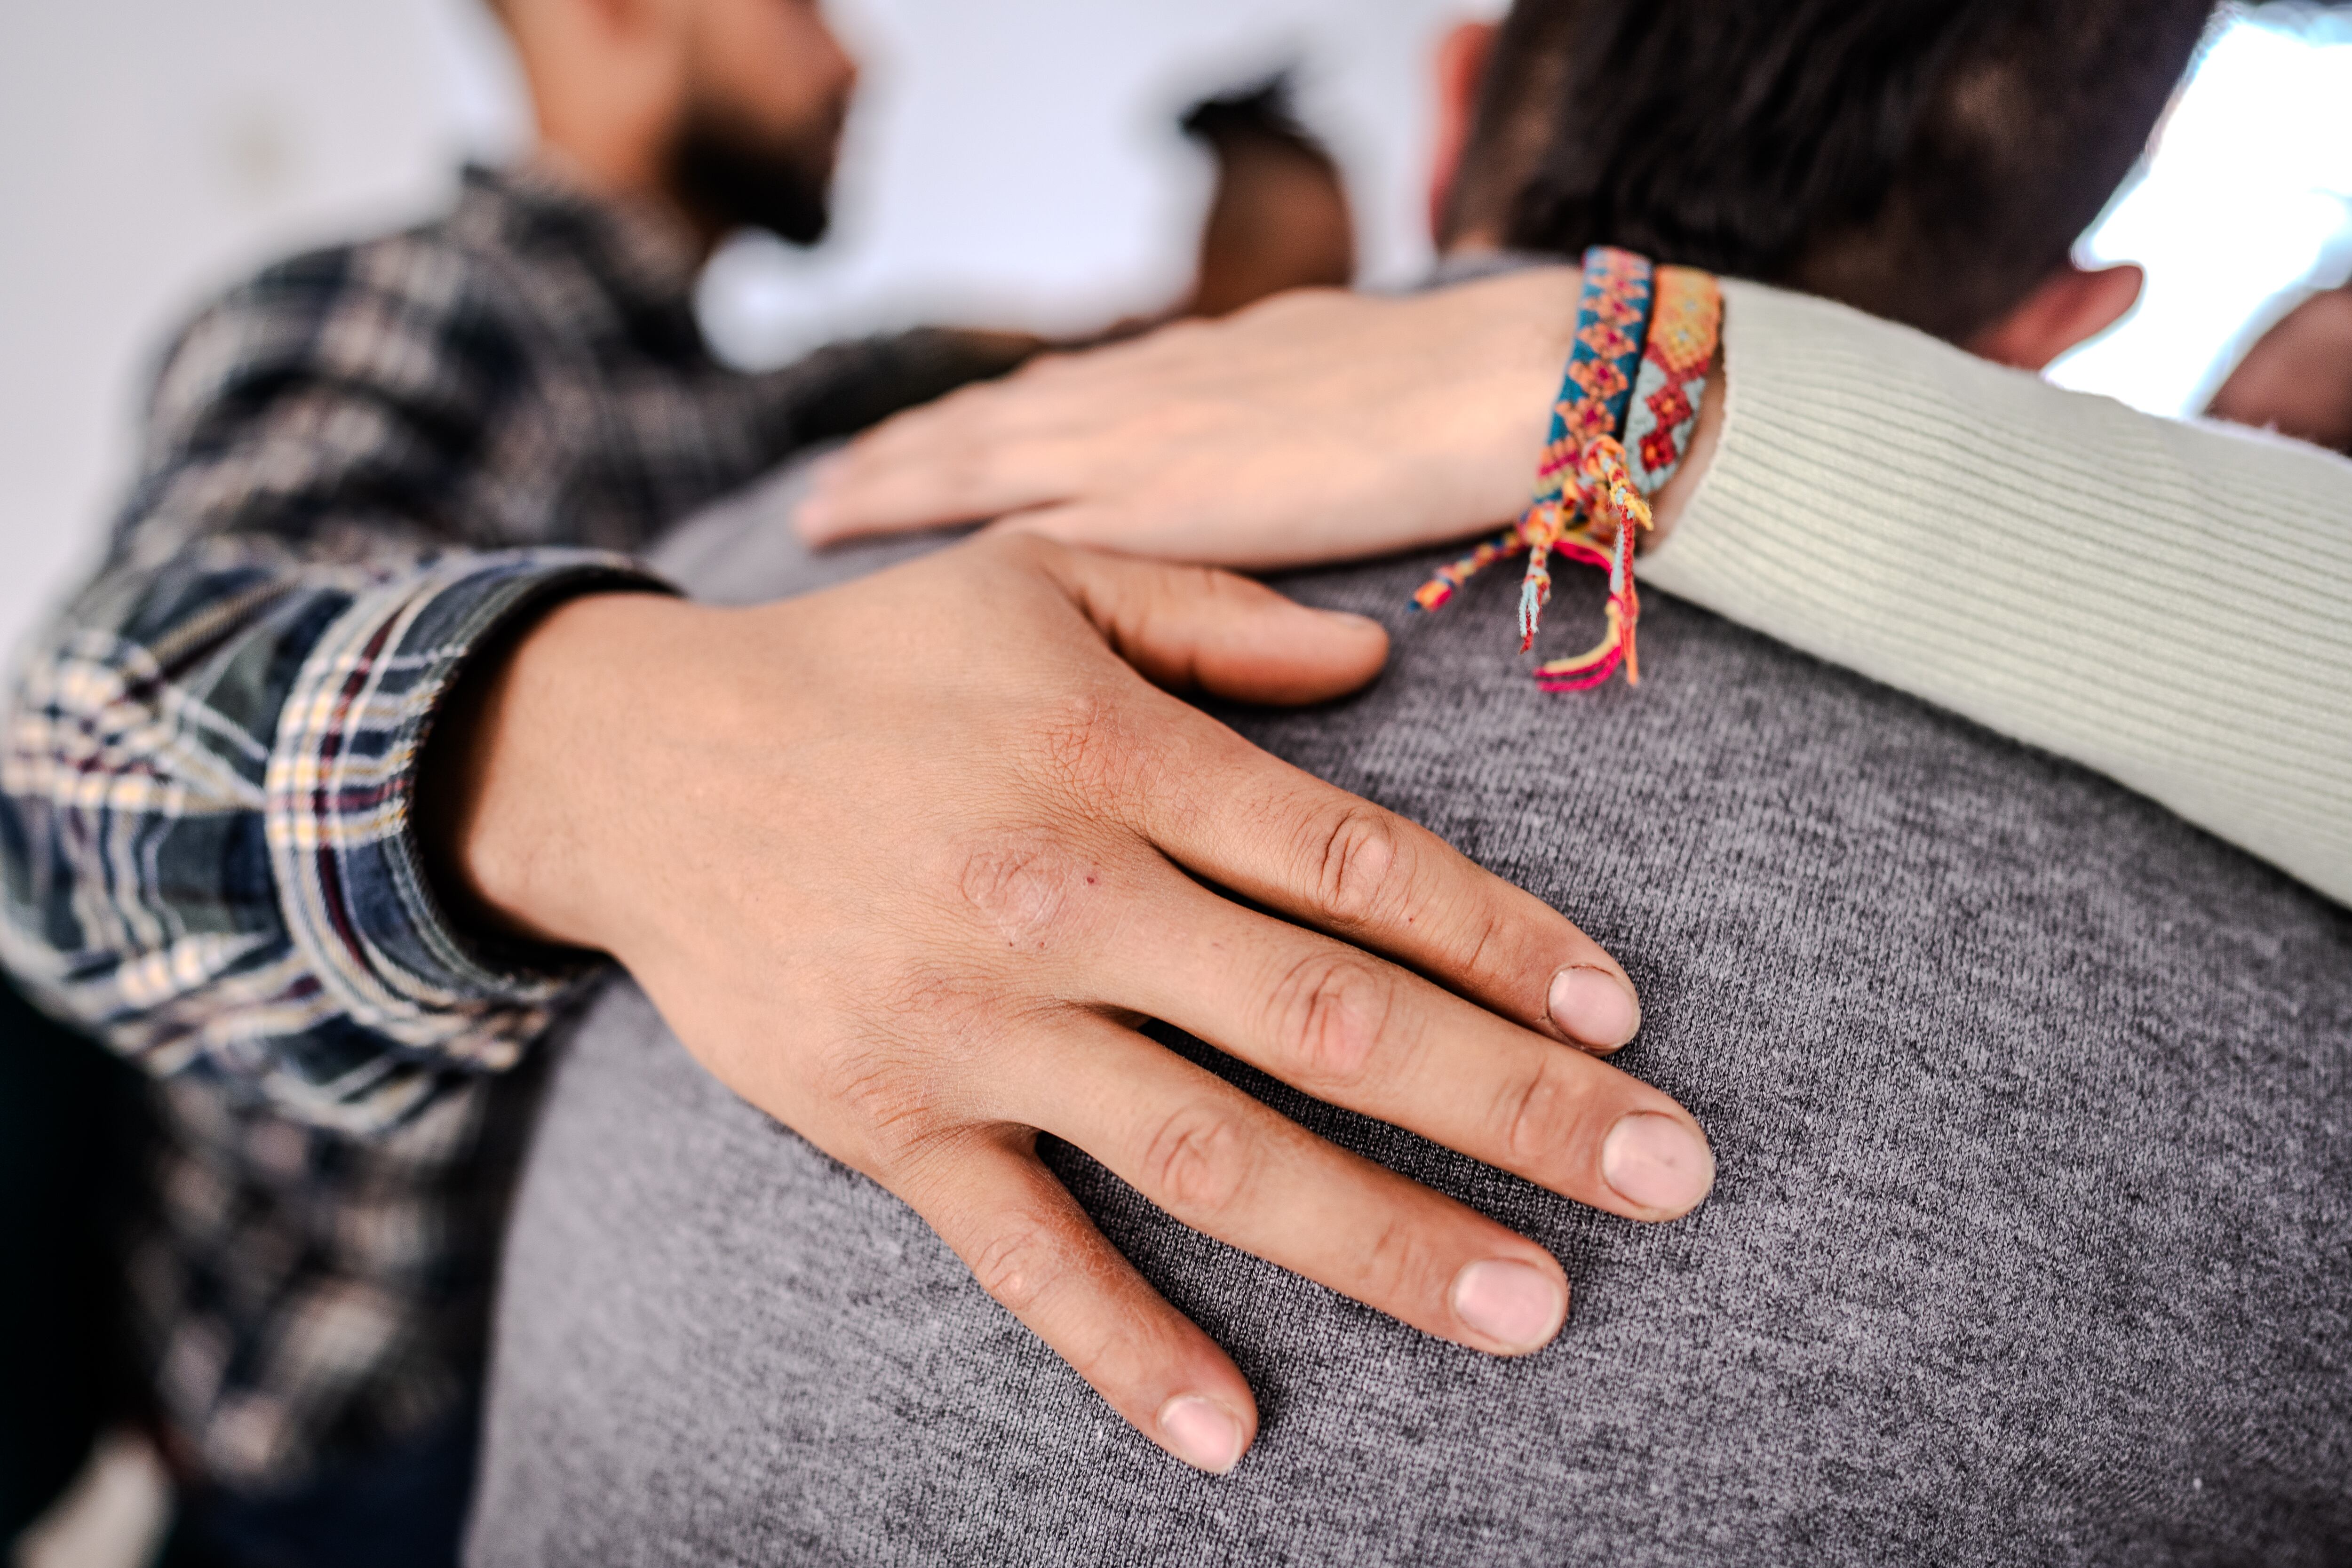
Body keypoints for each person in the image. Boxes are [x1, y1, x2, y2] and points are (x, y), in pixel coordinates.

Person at [467, 0, 2352, 1560]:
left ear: (1449, 102)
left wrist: (529, 732)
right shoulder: (2289, 1012)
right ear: (2059, 322)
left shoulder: (762, 564)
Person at [0, 0, 1709, 1558]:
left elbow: (1148, 354)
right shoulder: (408, 307)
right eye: (803, 9)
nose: (857, 60)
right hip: (360, 1463)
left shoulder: (772, 397)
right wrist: (604, 757)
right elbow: (64, 777)